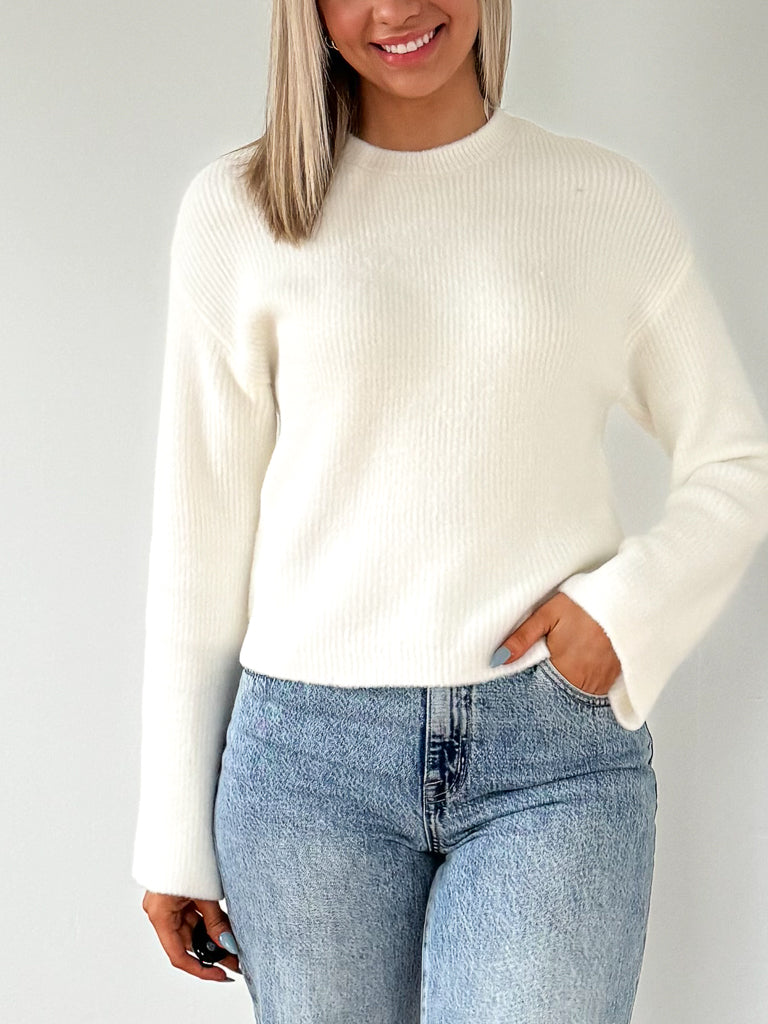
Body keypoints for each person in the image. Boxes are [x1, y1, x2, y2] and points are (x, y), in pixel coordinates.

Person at [131, 1, 768, 1021]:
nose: (396, 8)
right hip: (305, 773)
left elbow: (735, 461)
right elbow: (197, 538)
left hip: (551, 761)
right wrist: (171, 835)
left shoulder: (601, 203)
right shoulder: (239, 212)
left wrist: (624, 609)